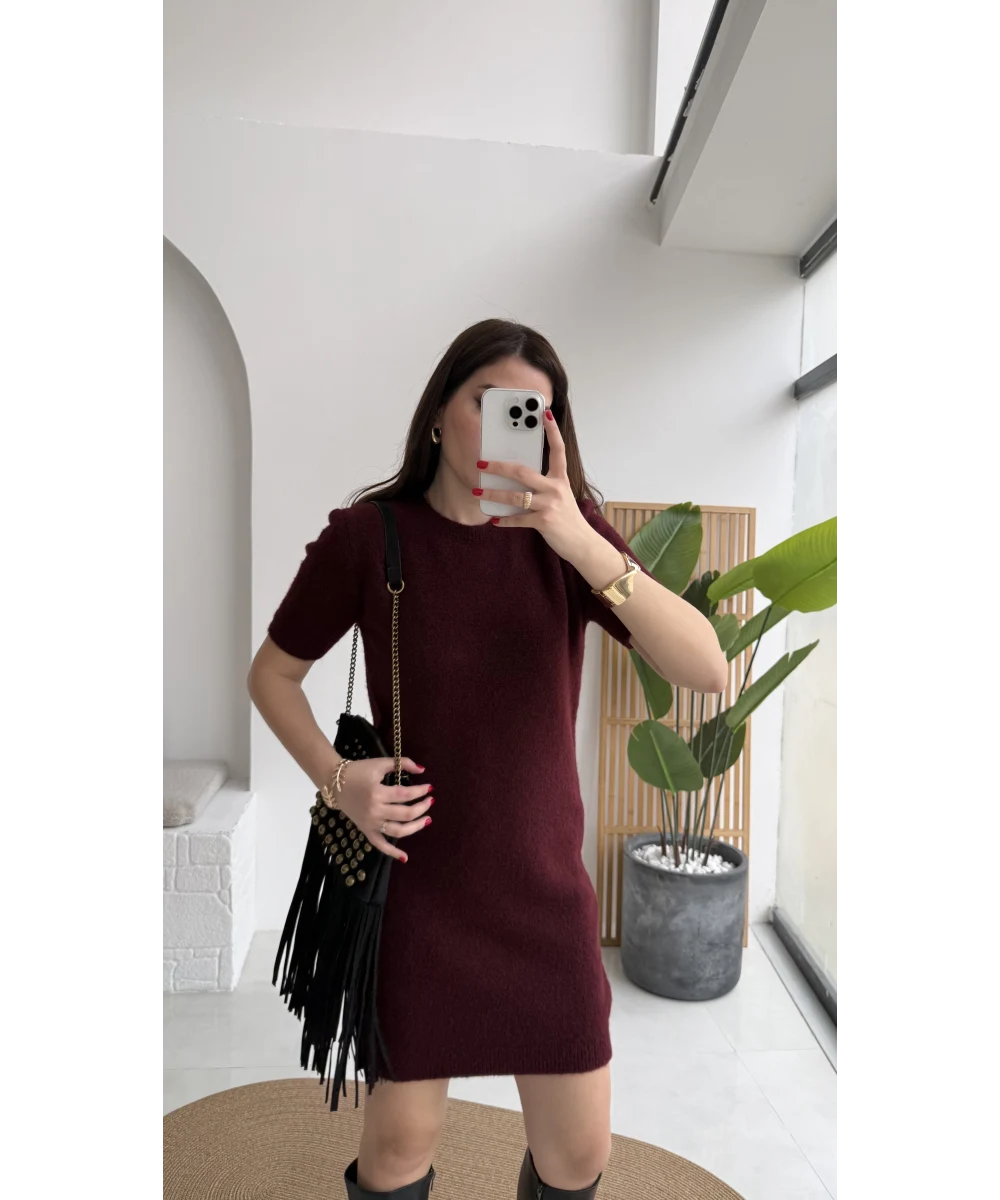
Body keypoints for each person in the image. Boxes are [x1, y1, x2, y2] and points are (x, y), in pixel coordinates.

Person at [248, 318, 728, 1200]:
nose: (517, 422)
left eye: (536, 412)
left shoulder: (569, 542)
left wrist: (580, 540)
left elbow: (706, 668)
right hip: (420, 892)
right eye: (493, 400)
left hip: (544, 898)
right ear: (439, 412)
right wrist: (337, 780)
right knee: (399, 1147)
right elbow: (272, 674)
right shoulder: (367, 538)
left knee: (578, 1155)